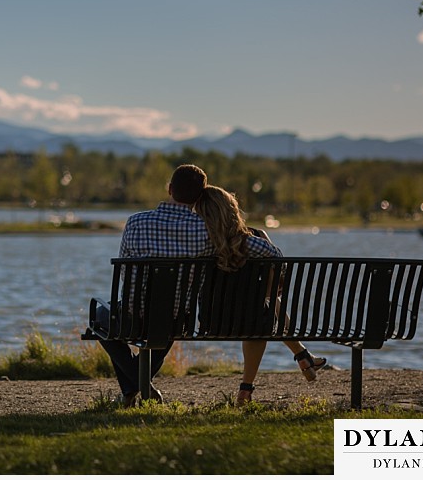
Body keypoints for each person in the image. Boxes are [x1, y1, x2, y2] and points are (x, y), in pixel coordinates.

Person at [194, 185, 328, 406]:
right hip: (253, 320)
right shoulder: (253, 242)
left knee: (259, 304)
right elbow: (278, 272)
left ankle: (303, 355)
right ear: (231, 210)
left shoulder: (196, 244)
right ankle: (249, 387)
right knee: (262, 304)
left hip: (211, 320)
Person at [97, 163, 211, 407]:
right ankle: (138, 386)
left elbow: (125, 265)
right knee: (171, 311)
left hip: (132, 316)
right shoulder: (206, 230)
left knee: (99, 315)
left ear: (169, 189)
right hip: (178, 319)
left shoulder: (136, 222)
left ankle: (135, 387)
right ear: (200, 196)